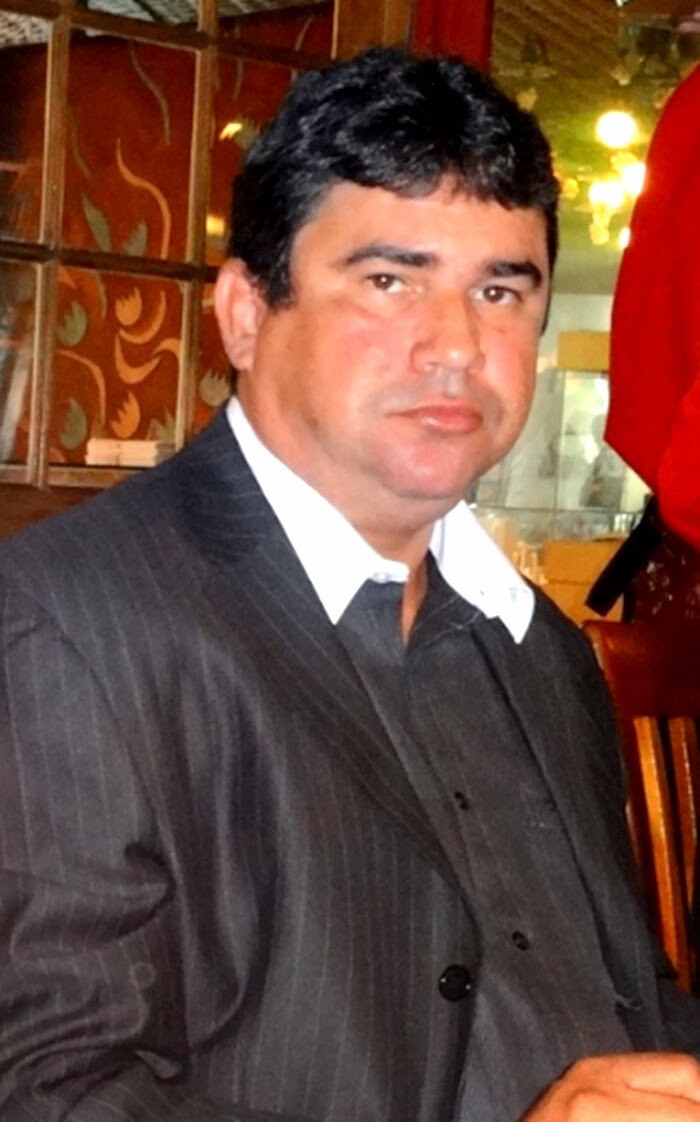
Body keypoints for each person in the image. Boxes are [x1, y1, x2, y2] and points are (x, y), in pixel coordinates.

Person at [0, 47, 698, 1122]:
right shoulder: (65, 625)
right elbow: (50, 1091)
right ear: (245, 314)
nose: (456, 345)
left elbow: (634, 1005)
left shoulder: (543, 648)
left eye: (499, 290)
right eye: (389, 280)